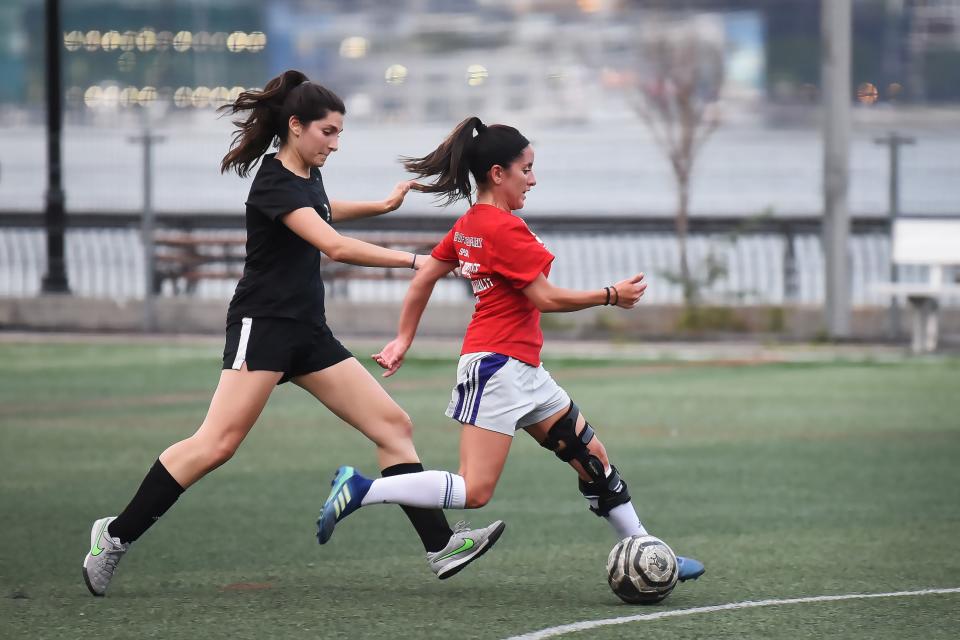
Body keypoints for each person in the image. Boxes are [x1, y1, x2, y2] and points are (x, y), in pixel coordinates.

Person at [81, 74, 504, 597]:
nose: (335, 142)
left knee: (393, 424)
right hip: (264, 329)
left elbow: (322, 210)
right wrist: (421, 262)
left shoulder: (305, 174)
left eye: (339, 133)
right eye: (327, 132)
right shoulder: (274, 181)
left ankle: (440, 546)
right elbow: (335, 246)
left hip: (308, 332)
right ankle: (115, 535)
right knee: (216, 444)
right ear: (296, 126)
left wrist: (381, 206)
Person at [314, 116, 704, 583]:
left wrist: (403, 338)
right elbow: (545, 298)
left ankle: (648, 549)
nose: (533, 180)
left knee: (590, 456)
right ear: (498, 173)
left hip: (522, 369)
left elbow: (426, 275)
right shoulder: (502, 229)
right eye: (527, 169)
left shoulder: (470, 225)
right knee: (475, 490)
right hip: (498, 368)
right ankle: (363, 489)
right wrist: (609, 294)